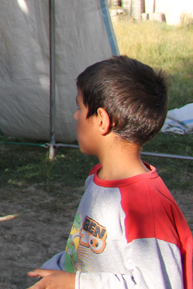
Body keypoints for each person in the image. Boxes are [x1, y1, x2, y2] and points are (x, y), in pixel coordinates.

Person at [27, 56, 192, 289]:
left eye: (80, 107)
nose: (75, 116)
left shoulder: (147, 208)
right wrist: (56, 271)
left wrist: (76, 284)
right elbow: (84, 253)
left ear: (102, 120)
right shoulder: (98, 179)